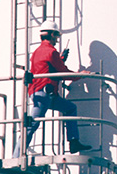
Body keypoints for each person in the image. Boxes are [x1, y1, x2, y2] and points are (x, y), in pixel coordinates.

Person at [13, 21, 92, 157]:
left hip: (41, 93)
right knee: (32, 124)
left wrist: (60, 59)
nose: (57, 39)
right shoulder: (51, 52)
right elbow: (62, 71)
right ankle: (16, 157)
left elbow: (47, 67)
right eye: (56, 36)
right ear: (52, 35)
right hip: (45, 94)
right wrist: (80, 75)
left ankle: (74, 141)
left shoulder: (37, 52)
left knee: (70, 108)